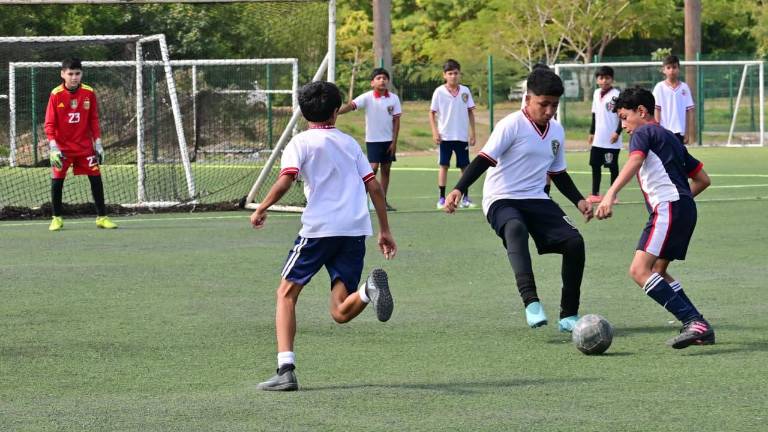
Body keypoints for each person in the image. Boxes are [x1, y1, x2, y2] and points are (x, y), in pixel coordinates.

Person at [250, 81, 397, 391]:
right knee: (340, 311)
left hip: (319, 231)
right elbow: (374, 187)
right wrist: (384, 230)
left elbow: (286, 180)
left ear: (304, 113)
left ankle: (285, 369)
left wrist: (262, 206)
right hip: (354, 230)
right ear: (335, 111)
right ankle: (368, 291)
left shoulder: (300, 143)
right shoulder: (349, 143)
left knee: (285, 294)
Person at [444, 68, 593, 332]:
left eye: (554, 105)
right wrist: (458, 189)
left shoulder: (556, 131)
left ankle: (569, 315)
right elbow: (483, 159)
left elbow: (558, 173)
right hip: (501, 198)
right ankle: (531, 303)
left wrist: (579, 201)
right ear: (527, 99)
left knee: (574, 243)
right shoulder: (511, 124)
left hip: (536, 198)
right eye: (543, 104)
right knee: (515, 228)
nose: (549, 111)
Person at [595, 86, 714, 349]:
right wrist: (681, 203)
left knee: (639, 270)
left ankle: (693, 321)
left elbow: (635, 161)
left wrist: (610, 194)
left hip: (668, 209)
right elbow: (703, 180)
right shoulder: (670, 137)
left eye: (625, 117)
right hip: (683, 208)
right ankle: (700, 325)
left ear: (642, 111)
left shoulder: (643, 132)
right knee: (658, 270)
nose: (624, 125)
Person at [44, 57, 117, 231]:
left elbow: (93, 120)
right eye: (70, 74)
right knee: (57, 181)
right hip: (62, 149)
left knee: (96, 179)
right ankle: (56, 218)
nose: (74, 77)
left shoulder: (89, 92)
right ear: (63, 74)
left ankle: (102, 217)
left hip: (85, 148)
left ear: (82, 74)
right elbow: (49, 124)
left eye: (77, 73)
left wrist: (98, 143)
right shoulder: (55, 95)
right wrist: (53, 147)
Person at [338, 67, 402, 211]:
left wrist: (394, 141)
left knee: (386, 170)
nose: (382, 81)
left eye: (385, 78)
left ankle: (382, 201)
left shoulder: (394, 99)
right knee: (372, 169)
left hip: (388, 141)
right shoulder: (367, 97)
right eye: (378, 78)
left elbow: (396, 121)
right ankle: (360, 201)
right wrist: (337, 112)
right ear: (372, 83)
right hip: (373, 140)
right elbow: (351, 106)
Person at [430, 59, 477, 209]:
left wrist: (473, 132)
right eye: (450, 73)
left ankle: (465, 198)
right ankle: (442, 198)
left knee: (465, 167)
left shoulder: (465, 91)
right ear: (444, 75)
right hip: (445, 136)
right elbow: (432, 113)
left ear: (459, 74)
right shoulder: (439, 91)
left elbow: (470, 112)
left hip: (461, 136)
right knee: (444, 165)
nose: (453, 76)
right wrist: (435, 132)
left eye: (456, 73)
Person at [587, 66, 623, 203]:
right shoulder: (596, 93)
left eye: (607, 78)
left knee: (612, 167)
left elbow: (622, 116)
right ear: (597, 80)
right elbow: (594, 115)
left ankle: (613, 195)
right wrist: (591, 132)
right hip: (598, 139)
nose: (604, 81)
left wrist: (617, 132)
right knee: (595, 166)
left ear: (612, 79)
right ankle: (595, 194)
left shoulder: (617, 94)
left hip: (611, 140)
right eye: (601, 78)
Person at [653, 55, 695, 145]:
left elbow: (689, 111)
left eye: (674, 67)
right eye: (668, 68)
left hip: (680, 131)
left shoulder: (684, 87)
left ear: (679, 69)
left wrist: (688, 132)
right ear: (663, 70)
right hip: (664, 131)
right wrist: (657, 130)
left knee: (679, 157)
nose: (671, 70)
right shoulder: (659, 87)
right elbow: (657, 109)